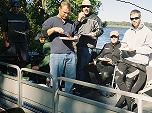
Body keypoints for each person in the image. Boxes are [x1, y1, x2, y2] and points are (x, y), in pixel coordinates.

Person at [114, 9, 152, 111]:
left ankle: (121, 105)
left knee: (131, 85)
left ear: (140, 18)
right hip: (126, 60)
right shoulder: (128, 32)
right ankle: (128, 101)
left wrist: (136, 49)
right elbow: (124, 44)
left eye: (136, 18)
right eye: (132, 18)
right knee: (118, 78)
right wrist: (124, 48)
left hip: (139, 63)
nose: (134, 20)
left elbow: (149, 49)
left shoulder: (148, 32)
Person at [41, 1, 78, 94]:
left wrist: (76, 38)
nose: (66, 15)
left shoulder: (71, 23)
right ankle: (54, 97)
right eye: (64, 12)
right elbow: (42, 35)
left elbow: (76, 35)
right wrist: (54, 29)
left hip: (70, 54)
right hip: (57, 54)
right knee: (55, 78)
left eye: (68, 13)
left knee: (70, 78)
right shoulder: (51, 20)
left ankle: (68, 97)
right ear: (59, 9)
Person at [82, 31, 121, 98]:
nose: (113, 38)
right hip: (102, 63)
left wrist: (113, 62)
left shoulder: (121, 47)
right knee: (88, 68)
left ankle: (99, 86)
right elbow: (100, 54)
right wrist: (95, 61)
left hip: (112, 65)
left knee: (105, 74)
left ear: (118, 37)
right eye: (112, 37)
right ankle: (95, 86)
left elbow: (121, 59)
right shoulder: (106, 45)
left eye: (115, 37)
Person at [75, 0, 103, 82]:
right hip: (77, 44)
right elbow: (73, 28)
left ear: (91, 8)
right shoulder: (80, 17)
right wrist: (79, 19)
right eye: (84, 7)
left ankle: (81, 85)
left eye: (88, 6)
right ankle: (78, 83)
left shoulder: (95, 18)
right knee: (76, 66)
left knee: (82, 67)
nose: (86, 8)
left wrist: (94, 34)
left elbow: (100, 30)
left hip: (88, 46)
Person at [1, 0, 30, 68]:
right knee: (11, 58)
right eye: (14, 7)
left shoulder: (23, 16)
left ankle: (20, 71)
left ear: (19, 7)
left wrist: (25, 32)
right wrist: (5, 41)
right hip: (12, 41)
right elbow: (3, 30)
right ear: (11, 7)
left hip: (22, 41)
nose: (16, 8)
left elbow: (28, 28)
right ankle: (12, 73)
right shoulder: (7, 16)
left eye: (17, 7)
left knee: (25, 58)